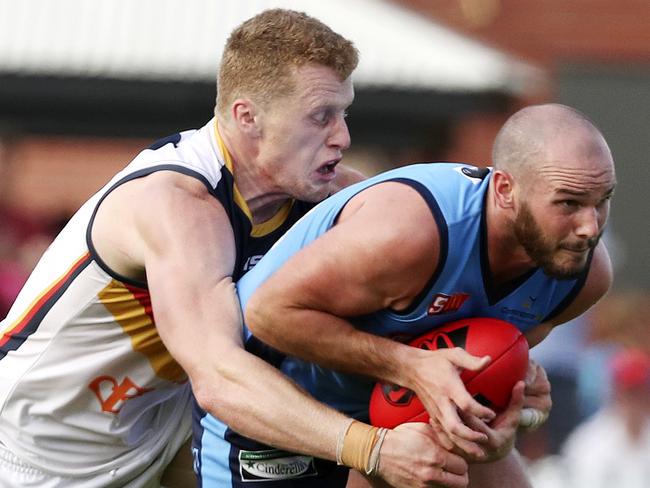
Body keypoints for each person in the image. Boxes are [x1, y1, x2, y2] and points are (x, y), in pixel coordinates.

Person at [0, 9, 453, 488]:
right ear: (247, 117)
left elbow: (436, 276)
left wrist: (497, 359)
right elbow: (220, 379)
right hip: (33, 458)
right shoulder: (176, 202)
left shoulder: (323, 193)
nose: (342, 136)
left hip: (159, 439)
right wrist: (373, 448)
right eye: (321, 116)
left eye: (344, 113)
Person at [194, 103, 615, 487]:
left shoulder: (583, 276)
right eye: (568, 204)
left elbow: (462, 374)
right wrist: (410, 367)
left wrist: (508, 404)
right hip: (275, 409)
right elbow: (267, 314)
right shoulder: (412, 233)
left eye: (602, 202)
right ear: (505, 189)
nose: (590, 228)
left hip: (389, 423)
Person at [561, 348, 650, 488]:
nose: (635, 399)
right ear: (616, 392)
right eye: (629, 392)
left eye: (640, 391)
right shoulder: (589, 441)